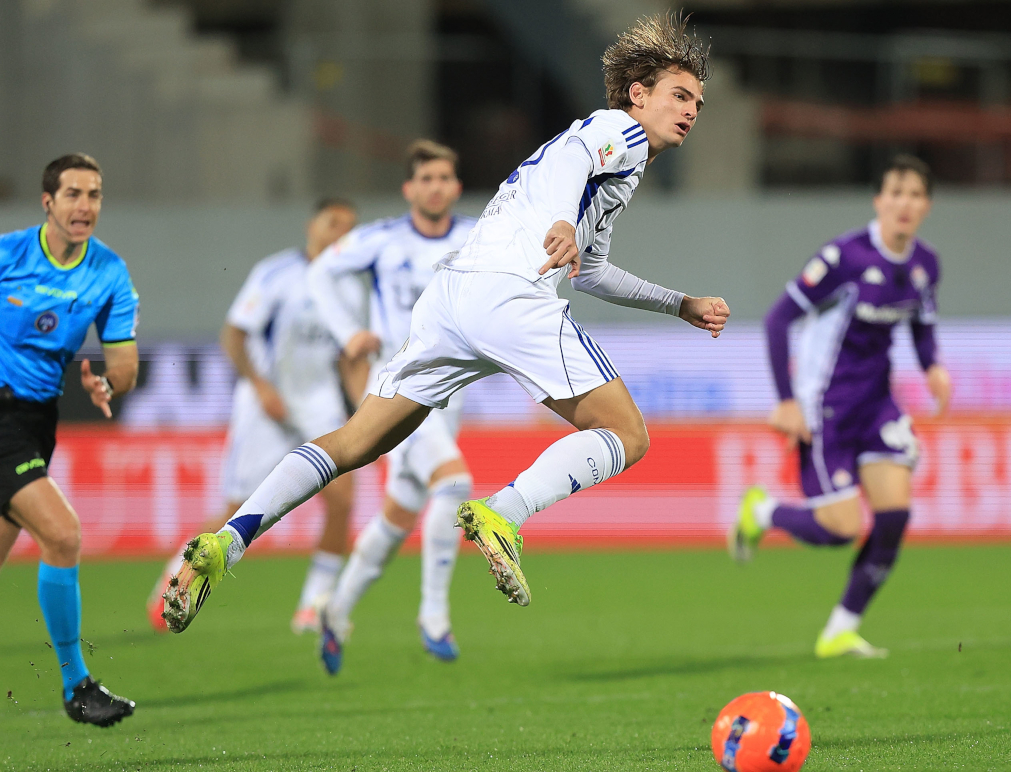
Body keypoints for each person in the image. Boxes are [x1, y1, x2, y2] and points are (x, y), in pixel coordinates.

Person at [161, 12, 730, 634]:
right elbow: (573, 156)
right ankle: (503, 514)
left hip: (451, 299)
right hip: (509, 297)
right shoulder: (615, 129)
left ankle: (227, 541)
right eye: (680, 95)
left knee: (356, 442)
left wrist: (680, 303)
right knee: (628, 434)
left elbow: (591, 272)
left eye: (698, 102)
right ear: (637, 94)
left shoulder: (617, 168)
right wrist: (564, 220)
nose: (691, 110)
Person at [728, 154, 953, 659]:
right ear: (878, 200)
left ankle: (840, 630)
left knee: (894, 514)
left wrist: (932, 366)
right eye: (894, 192)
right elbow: (776, 320)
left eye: (915, 194)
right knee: (842, 528)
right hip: (825, 409)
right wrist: (786, 402)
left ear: (927, 205)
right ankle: (763, 511)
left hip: (877, 405)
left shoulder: (924, 266)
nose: (904, 203)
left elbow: (920, 326)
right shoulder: (845, 258)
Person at [146, 199, 360, 634]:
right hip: (266, 402)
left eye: (349, 228)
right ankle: (170, 585)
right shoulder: (276, 272)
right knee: (233, 510)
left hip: (318, 401)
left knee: (343, 501)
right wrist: (261, 387)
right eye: (332, 223)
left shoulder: (352, 284)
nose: (340, 233)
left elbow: (348, 354)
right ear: (311, 225)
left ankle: (313, 606)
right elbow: (233, 336)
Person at [305, 140, 476, 671]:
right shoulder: (381, 239)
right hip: (397, 387)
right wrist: (347, 331)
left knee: (399, 514)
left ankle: (335, 612)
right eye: (425, 178)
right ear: (409, 189)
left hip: (451, 390)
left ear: (456, 186)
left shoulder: (475, 237)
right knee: (455, 482)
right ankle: (434, 615)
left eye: (444, 177)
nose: (435, 186)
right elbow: (318, 272)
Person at [0, 153, 139, 725]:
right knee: (63, 533)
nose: (86, 206)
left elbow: (126, 367)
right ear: (48, 202)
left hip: (37, 421)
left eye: (96, 195)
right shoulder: (9, 254)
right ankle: (76, 685)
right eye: (74, 194)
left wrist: (104, 381)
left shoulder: (109, 272)